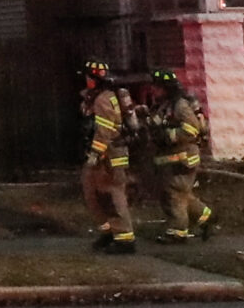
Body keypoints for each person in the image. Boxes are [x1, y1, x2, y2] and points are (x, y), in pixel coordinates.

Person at [146, 68, 213, 243]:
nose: (153, 89)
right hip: (172, 158)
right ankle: (205, 216)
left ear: (166, 88)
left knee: (174, 193)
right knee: (179, 192)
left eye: (157, 87)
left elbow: (191, 129)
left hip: (183, 158)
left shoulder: (180, 105)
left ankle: (178, 231)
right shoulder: (164, 105)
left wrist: (169, 135)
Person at [78, 59, 136, 253]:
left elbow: (105, 130)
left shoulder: (103, 99)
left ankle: (125, 239)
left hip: (109, 156)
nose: (86, 81)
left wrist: (96, 153)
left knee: (112, 195)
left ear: (93, 79)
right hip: (101, 155)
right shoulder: (96, 98)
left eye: (87, 77)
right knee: (92, 193)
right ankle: (109, 231)